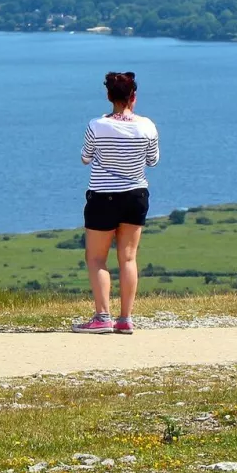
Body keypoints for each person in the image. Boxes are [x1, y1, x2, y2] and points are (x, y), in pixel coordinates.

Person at [73, 71, 159, 334]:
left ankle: (102, 317)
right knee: (128, 258)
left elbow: (85, 158)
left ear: (109, 96)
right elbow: (152, 161)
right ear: (134, 96)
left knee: (97, 258)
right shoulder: (147, 126)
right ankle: (125, 319)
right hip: (136, 195)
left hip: (102, 195)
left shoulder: (96, 125)